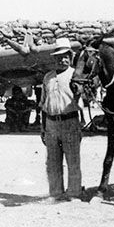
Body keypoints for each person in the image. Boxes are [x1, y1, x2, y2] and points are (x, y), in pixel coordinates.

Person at [39, 38, 83, 201]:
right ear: (54, 59)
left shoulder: (75, 75)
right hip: (50, 123)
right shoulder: (48, 77)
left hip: (70, 121)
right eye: (58, 57)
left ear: (71, 57)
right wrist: (43, 128)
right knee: (52, 162)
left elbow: (84, 99)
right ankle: (56, 193)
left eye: (65, 56)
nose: (62, 59)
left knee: (72, 160)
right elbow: (43, 103)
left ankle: (74, 193)